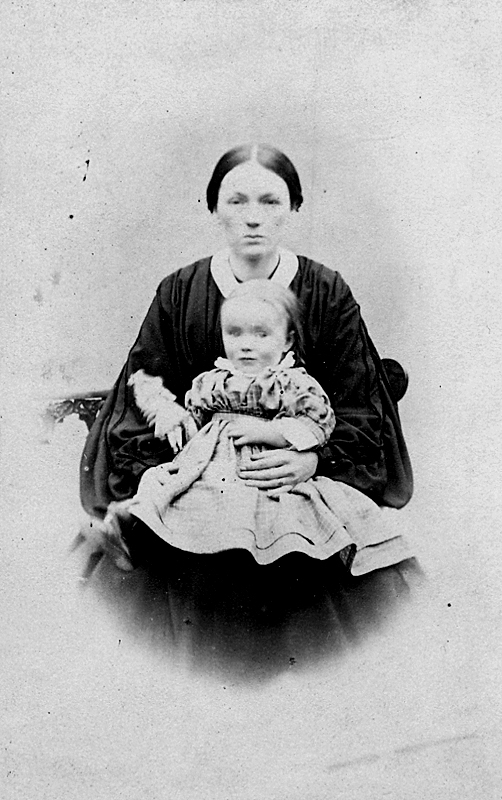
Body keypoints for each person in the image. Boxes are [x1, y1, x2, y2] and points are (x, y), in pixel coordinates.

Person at [80, 143, 413, 577]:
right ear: (214, 208)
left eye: (270, 201)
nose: (253, 217)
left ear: (294, 207)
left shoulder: (327, 291)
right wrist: (179, 457)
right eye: (236, 201)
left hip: (296, 483)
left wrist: (314, 460)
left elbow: (359, 407)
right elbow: (143, 392)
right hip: (197, 488)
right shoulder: (179, 291)